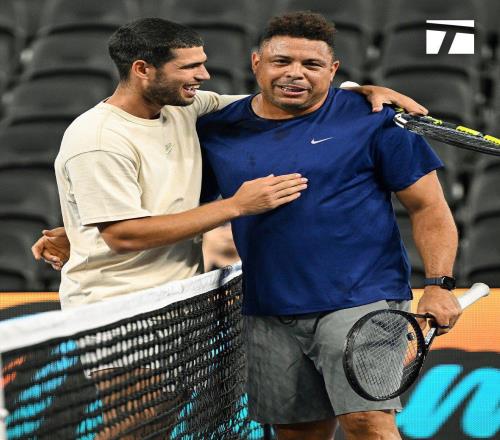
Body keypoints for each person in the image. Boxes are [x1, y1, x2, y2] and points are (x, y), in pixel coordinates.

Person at [31, 15, 436, 440]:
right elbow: (123, 234)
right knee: (134, 426)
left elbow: (279, 96)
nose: (203, 75)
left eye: (202, 63)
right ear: (143, 69)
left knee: (159, 420)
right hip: (118, 307)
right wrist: (237, 206)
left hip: (178, 301)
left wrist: (357, 92)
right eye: (189, 67)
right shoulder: (98, 139)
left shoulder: (185, 109)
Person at [194, 12, 461, 440]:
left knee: (369, 423)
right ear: (256, 63)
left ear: (333, 70)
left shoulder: (375, 117)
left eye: (312, 64)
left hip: (362, 299)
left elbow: (429, 207)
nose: (295, 73)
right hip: (266, 306)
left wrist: (439, 284)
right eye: (282, 61)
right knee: (298, 433)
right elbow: (184, 202)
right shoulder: (216, 129)